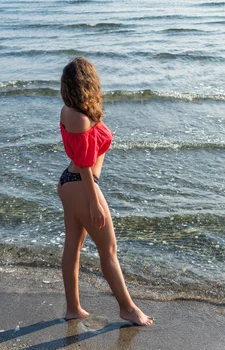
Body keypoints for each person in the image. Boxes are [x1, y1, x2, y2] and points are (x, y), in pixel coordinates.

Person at [57, 57, 153, 326]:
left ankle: (73, 308)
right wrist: (94, 202)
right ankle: (128, 308)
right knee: (108, 249)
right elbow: (86, 165)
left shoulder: (73, 111)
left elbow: (82, 155)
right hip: (81, 185)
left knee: (73, 247)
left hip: (70, 182)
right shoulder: (77, 117)